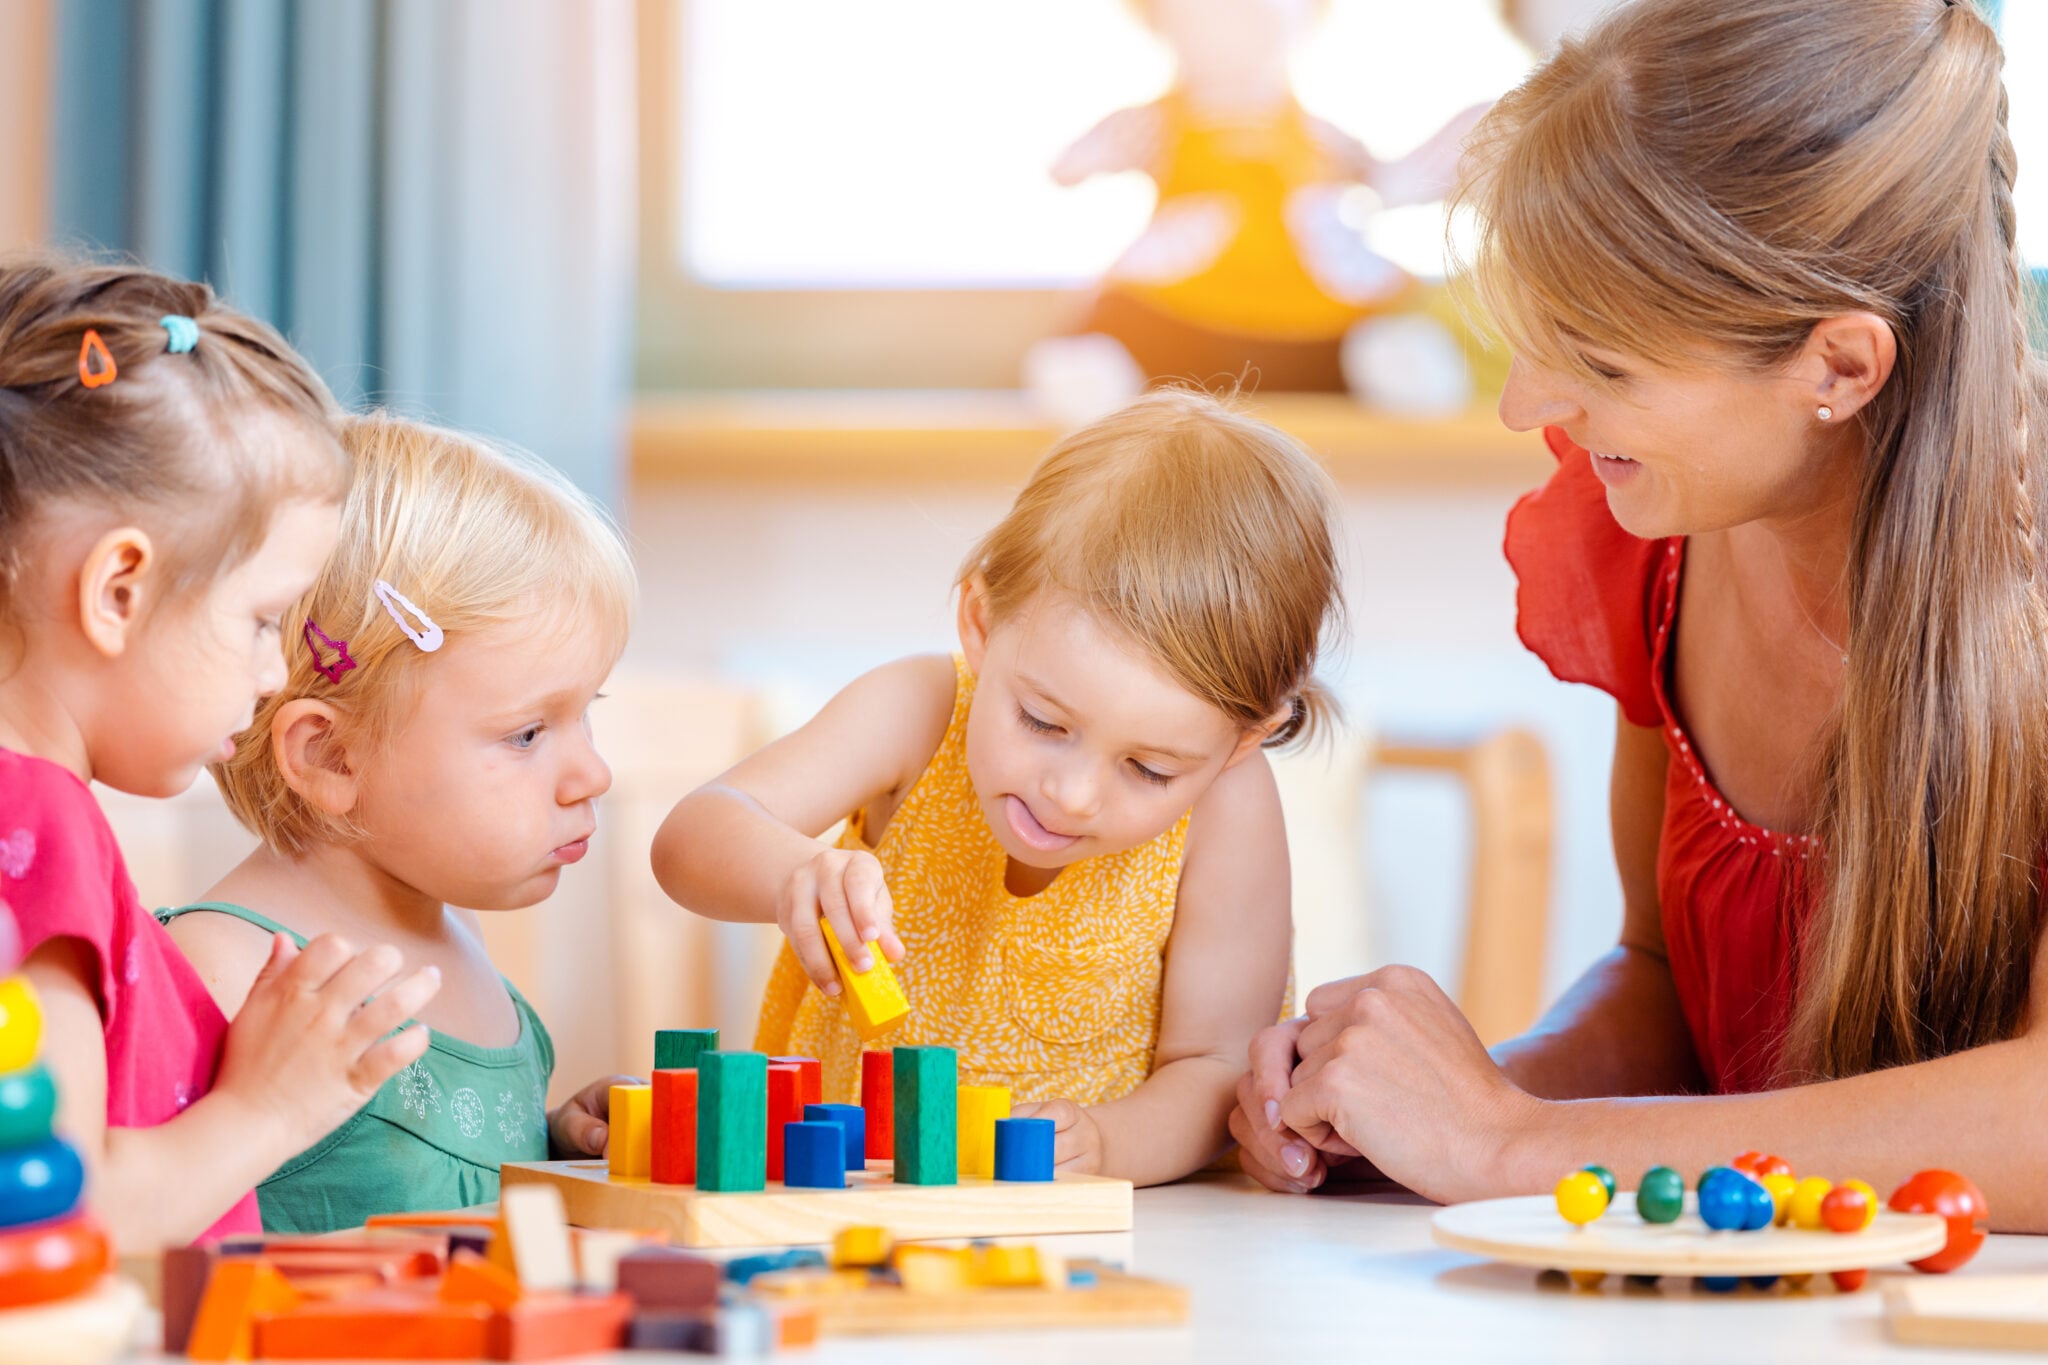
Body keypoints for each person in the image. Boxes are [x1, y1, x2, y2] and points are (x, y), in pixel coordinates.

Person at [1234, 0, 2048, 1229]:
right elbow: (1662, 983)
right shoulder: (1651, 551)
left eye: (1600, 362)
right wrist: (1438, 1113)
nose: (1526, 406)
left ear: (1835, 367)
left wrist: (1511, 1145)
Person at [653, 389, 1341, 1186]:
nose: (1075, 793)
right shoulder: (920, 710)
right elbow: (693, 835)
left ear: (1241, 740)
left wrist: (1111, 1143)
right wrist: (788, 873)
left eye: (1149, 769)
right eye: (1045, 721)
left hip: (1096, 1240)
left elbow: (1217, 1063)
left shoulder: (1230, 806)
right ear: (981, 622)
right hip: (842, 1202)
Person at [0, 257, 441, 1250]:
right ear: (120, 590)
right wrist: (274, 1106)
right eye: (261, 620)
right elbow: (64, 1211)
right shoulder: (35, 822)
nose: (278, 672)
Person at [164, 413, 638, 1232]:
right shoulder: (222, 967)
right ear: (332, 758)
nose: (593, 773)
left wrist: (551, 1148)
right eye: (528, 733)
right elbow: (139, 1227)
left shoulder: (463, 940)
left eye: (584, 715)